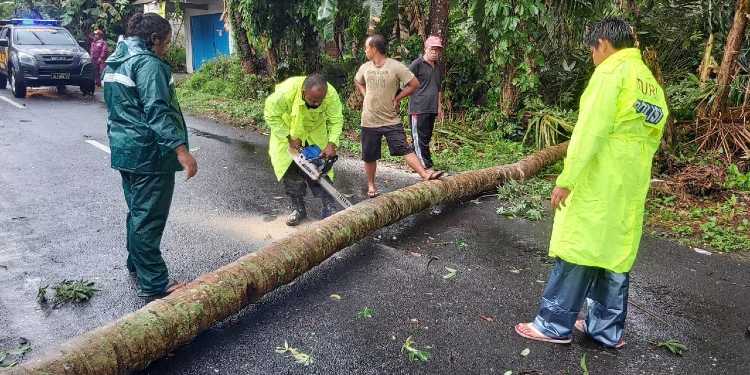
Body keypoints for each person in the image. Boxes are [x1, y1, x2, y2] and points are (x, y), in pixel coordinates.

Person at [514, 17, 668, 348]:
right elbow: (652, 138)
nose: (591, 56)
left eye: (592, 49)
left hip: (598, 179)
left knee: (579, 246)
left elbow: (588, 133)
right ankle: (605, 329)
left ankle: (554, 324)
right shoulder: (648, 82)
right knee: (615, 253)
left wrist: (566, 179)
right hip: (630, 184)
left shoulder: (610, 74)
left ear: (603, 43)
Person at [103, 13, 197, 298]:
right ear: (154, 39)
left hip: (125, 152)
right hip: (149, 156)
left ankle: (137, 263)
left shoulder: (116, 60)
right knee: (149, 219)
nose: (167, 48)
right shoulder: (148, 64)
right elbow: (158, 111)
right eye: (167, 42)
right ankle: (155, 283)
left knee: (137, 212)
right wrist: (181, 151)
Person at [354, 34, 444, 198]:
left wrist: (397, 97)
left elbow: (414, 84)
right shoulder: (364, 67)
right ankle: (371, 185)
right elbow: (358, 81)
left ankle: (424, 175)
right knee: (369, 155)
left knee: (404, 147)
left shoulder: (396, 67)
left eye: (367, 48)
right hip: (369, 119)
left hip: (390, 119)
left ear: (374, 49)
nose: (365, 51)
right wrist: (365, 93)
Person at [264, 74, 344, 226]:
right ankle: (298, 209)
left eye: (320, 101)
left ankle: (329, 208)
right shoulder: (287, 92)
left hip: (315, 133)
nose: (316, 104)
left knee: (320, 169)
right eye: (312, 100)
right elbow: (270, 114)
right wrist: (288, 137)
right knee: (291, 172)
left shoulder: (330, 94)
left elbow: (336, 119)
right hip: (290, 132)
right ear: (303, 91)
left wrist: (332, 143)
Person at [408, 35, 444, 171]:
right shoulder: (417, 64)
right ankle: (426, 167)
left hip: (431, 108)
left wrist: (439, 107)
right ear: (426, 49)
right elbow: (404, 80)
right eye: (432, 49)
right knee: (420, 139)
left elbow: (438, 88)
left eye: (437, 50)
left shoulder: (437, 67)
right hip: (418, 107)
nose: (435, 52)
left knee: (425, 138)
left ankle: (414, 163)